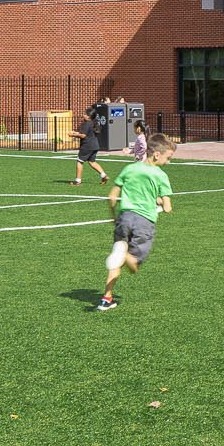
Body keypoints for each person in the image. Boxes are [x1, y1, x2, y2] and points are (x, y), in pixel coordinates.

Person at [97, 133, 176, 312]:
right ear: (157, 154)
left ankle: (106, 298)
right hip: (144, 222)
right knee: (133, 265)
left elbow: (112, 197)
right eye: (168, 158)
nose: (168, 162)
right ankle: (124, 255)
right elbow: (168, 206)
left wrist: (114, 217)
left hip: (124, 218)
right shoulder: (160, 175)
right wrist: (162, 202)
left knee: (116, 258)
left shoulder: (130, 169)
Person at [72, 105, 110, 187]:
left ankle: (77, 181)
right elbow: (87, 134)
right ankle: (104, 176)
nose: (83, 115)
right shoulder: (93, 123)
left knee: (80, 161)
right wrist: (75, 133)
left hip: (87, 146)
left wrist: (73, 135)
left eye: (85, 114)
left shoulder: (86, 124)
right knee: (92, 162)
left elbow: (83, 136)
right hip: (95, 145)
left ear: (88, 116)